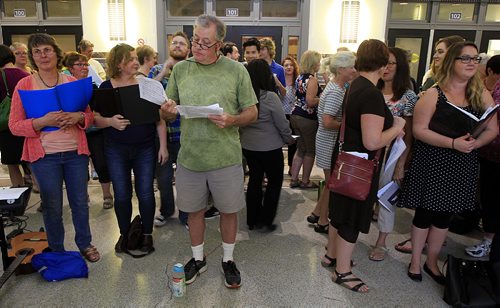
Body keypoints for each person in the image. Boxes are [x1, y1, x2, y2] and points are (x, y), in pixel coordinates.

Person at [161, 14, 258, 289]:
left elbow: (252, 112)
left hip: (225, 156)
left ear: (219, 44)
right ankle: (198, 258)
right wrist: (166, 112)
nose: (197, 48)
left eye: (205, 43)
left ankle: (228, 260)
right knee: (194, 212)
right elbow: (166, 112)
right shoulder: (181, 70)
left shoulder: (237, 71)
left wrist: (232, 120)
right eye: (195, 41)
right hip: (191, 157)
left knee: (229, 211)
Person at [401, 42, 497, 285]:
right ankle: (415, 260)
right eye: (465, 58)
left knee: (444, 218)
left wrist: (475, 144)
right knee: (424, 214)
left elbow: (493, 128)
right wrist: (452, 143)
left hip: (462, 162)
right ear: (452, 61)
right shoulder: (434, 93)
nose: (471, 63)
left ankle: (431, 261)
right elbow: (419, 130)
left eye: (475, 59)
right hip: (432, 160)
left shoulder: (481, 93)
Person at [9, 33, 100, 262]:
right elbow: (14, 125)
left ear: (56, 53)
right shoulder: (25, 84)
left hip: (75, 154)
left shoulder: (71, 82)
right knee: (52, 206)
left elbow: (88, 117)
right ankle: (57, 249)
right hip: (44, 156)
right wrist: (42, 122)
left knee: (80, 202)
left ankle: (84, 243)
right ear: (32, 56)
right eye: (37, 51)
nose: (43, 55)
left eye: (47, 50)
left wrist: (77, 116)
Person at [325, 39, 405, 293]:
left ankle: (331, 255)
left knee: (338, 214)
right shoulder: (370, 93)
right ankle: (343, 271)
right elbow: (372, 141)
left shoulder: (355, 85)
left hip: (345, 161)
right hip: (360, 166)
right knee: (350, 218)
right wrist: (397, 127)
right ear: (382, 66)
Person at [93, 43, 168, 254]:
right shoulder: (106, 87)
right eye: (131, 59)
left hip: (144, 147)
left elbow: (159, 119)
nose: (136, 62)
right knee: (123, 194)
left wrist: (163, 146)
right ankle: (124, 234)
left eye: (136, 58)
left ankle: (146, 235)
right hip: (116, 148)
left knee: (145, 193)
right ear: (118, 63)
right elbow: (95, 119)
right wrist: (110, 122)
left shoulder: (147, 85)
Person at [395, 34, 465, 254]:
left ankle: (431, 243)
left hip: (451, 152)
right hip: (429, 149)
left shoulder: (463, 87)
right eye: (436, 51)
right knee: (426, 205)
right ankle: (420, 244)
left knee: (441, 206)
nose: (435, 55)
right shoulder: (433, 80)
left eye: (440, 51)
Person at [368, 47, 418, 261]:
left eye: (391, 63)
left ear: (400, 67)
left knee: (387, 199)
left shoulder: (408, 97)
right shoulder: (371, 89)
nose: (386, 68)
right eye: (383, 62)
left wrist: (401, 164)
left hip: (391, 153)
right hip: (368, 150)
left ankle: (381, 242)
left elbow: (409, 136)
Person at [241, 59, 293, 232]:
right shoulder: (270, 96)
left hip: (248, 146)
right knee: (274, 181)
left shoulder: (244, 97)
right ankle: (266, 219)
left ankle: (252, 219)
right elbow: (281, 122)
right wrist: (289, 138)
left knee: (254, 180)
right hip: (270, 147)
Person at [308, 51, 357, 235]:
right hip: (329, 141)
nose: (354, 70)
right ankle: (322, 220)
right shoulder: (337, 90)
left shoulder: (335, 86)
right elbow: (328, 122)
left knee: (329, 182)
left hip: (325, 139)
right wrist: (347, 125)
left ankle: (317, 212)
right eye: (351, 67)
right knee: (331, 183)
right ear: (342, 69)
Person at [62, 51, 114, 210]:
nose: (84, 67)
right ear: (70, 68)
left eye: (86, 64)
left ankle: (107, 195)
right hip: (74, 131)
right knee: (78, 166)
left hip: (94, 131)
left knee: (101, 163)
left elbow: (100, 112)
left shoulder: (92, 86)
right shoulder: (64, 87)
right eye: (80, 64)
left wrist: (89, 115)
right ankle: (82, 196)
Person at [150, 31, 190, 228]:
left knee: (186, 179)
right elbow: (148, 96)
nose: (177, 46)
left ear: (188, 49)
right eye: (174, 43)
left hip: (186, 135)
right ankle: (166, 211)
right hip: (162, 135)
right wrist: (165, 70)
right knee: (164, 179)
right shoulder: (156, 69)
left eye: (182, 44)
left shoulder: (192, 70)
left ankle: (186, 215)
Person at [465, 55, 500, 258]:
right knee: (490, 197)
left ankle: (490, 241)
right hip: (490, 152)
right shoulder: (491, 90)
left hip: (492, 151)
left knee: (492, 199)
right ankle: (489, 239)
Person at [289, 50, 322, 189]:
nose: (320, 64)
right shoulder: (312, 80)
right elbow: (310, 101)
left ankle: (294, 179)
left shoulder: (299, 78)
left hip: (295, 115)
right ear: (314, 63)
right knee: (310, 150)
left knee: (300, 148)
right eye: (318, 61)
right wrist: (323, 98)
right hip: (307, 118)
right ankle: (305, 181)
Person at [0, 45, 30, 188]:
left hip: (6, 127)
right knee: (31, 162)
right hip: (26, 124)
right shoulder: (26, 76)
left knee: (13, 164)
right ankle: (44, 197)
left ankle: (18, 195)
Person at [281, 56, 299, 175]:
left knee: (293, 142)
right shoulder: (279, 80)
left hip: (293, 115)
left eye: (290, 65)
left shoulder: (298, 81)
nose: (288, 67)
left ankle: (292, 167)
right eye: (286, 65)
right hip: (281, 115)